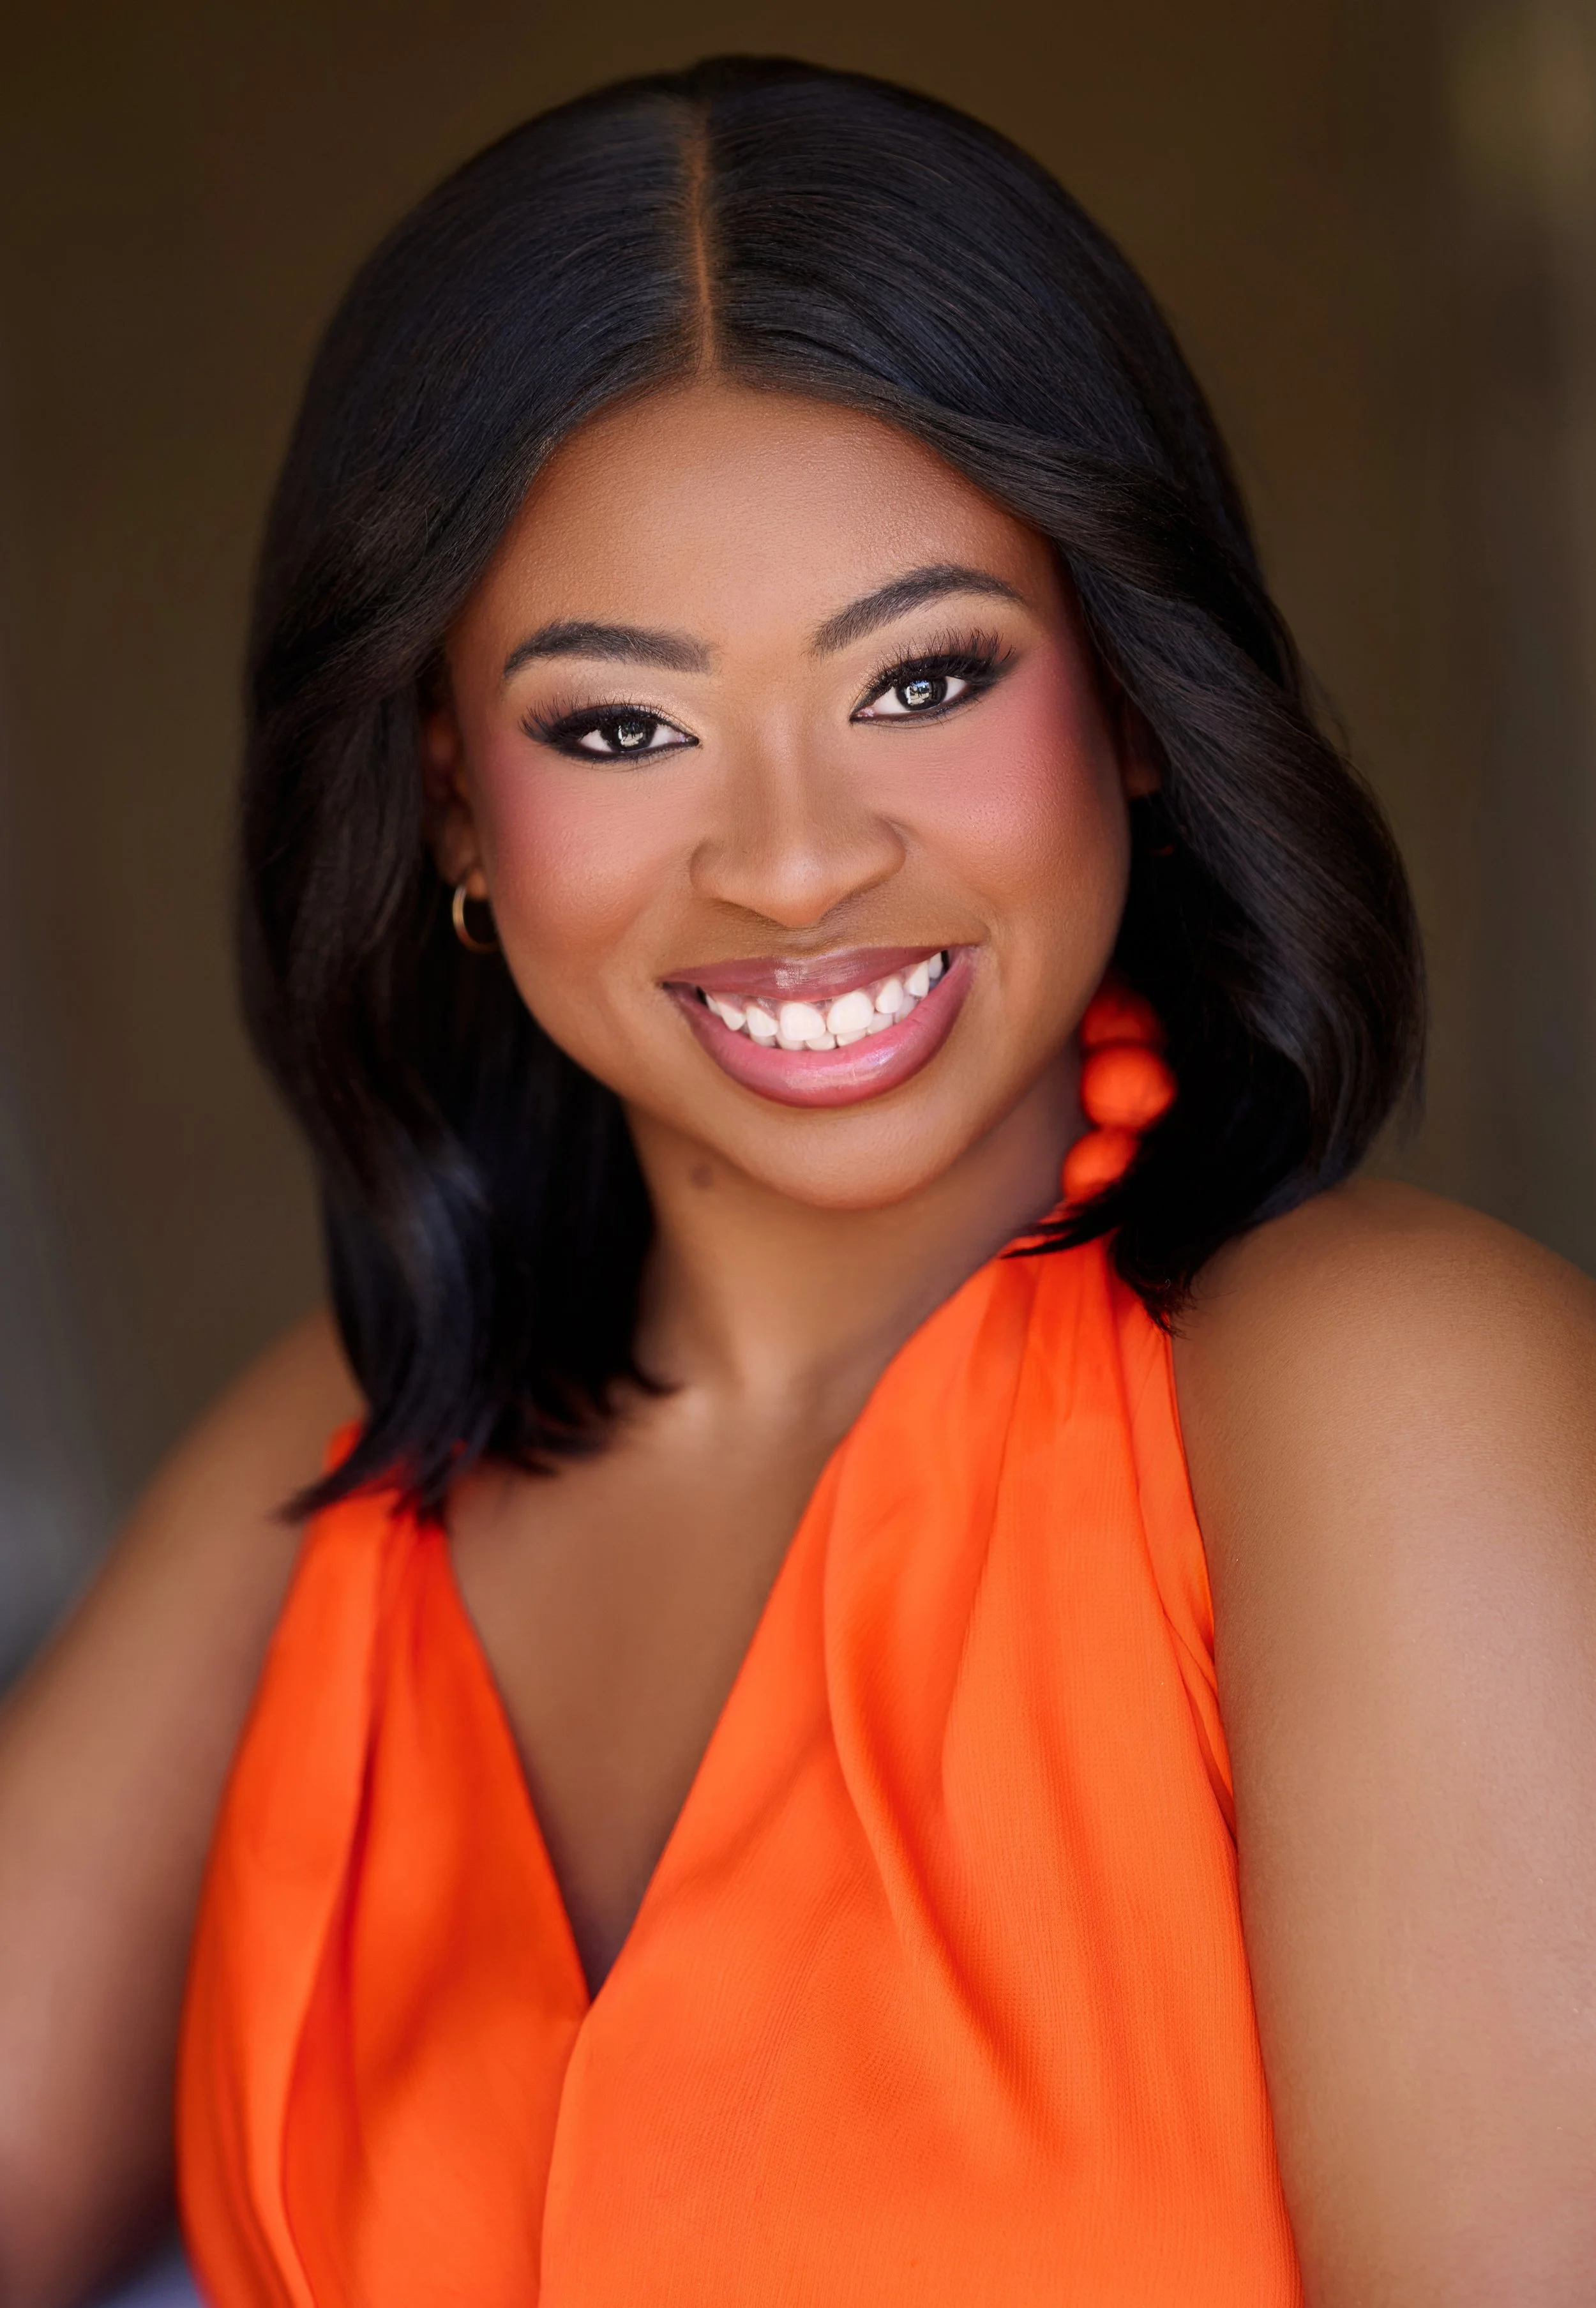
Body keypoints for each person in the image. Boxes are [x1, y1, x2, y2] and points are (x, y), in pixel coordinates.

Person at [1, 53, 1593, 2308]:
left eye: (926, 675)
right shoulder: (337, 1462)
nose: (792, 861)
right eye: (619, 727)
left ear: (1130, 697)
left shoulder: (1376, 1404)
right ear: (454, 802)